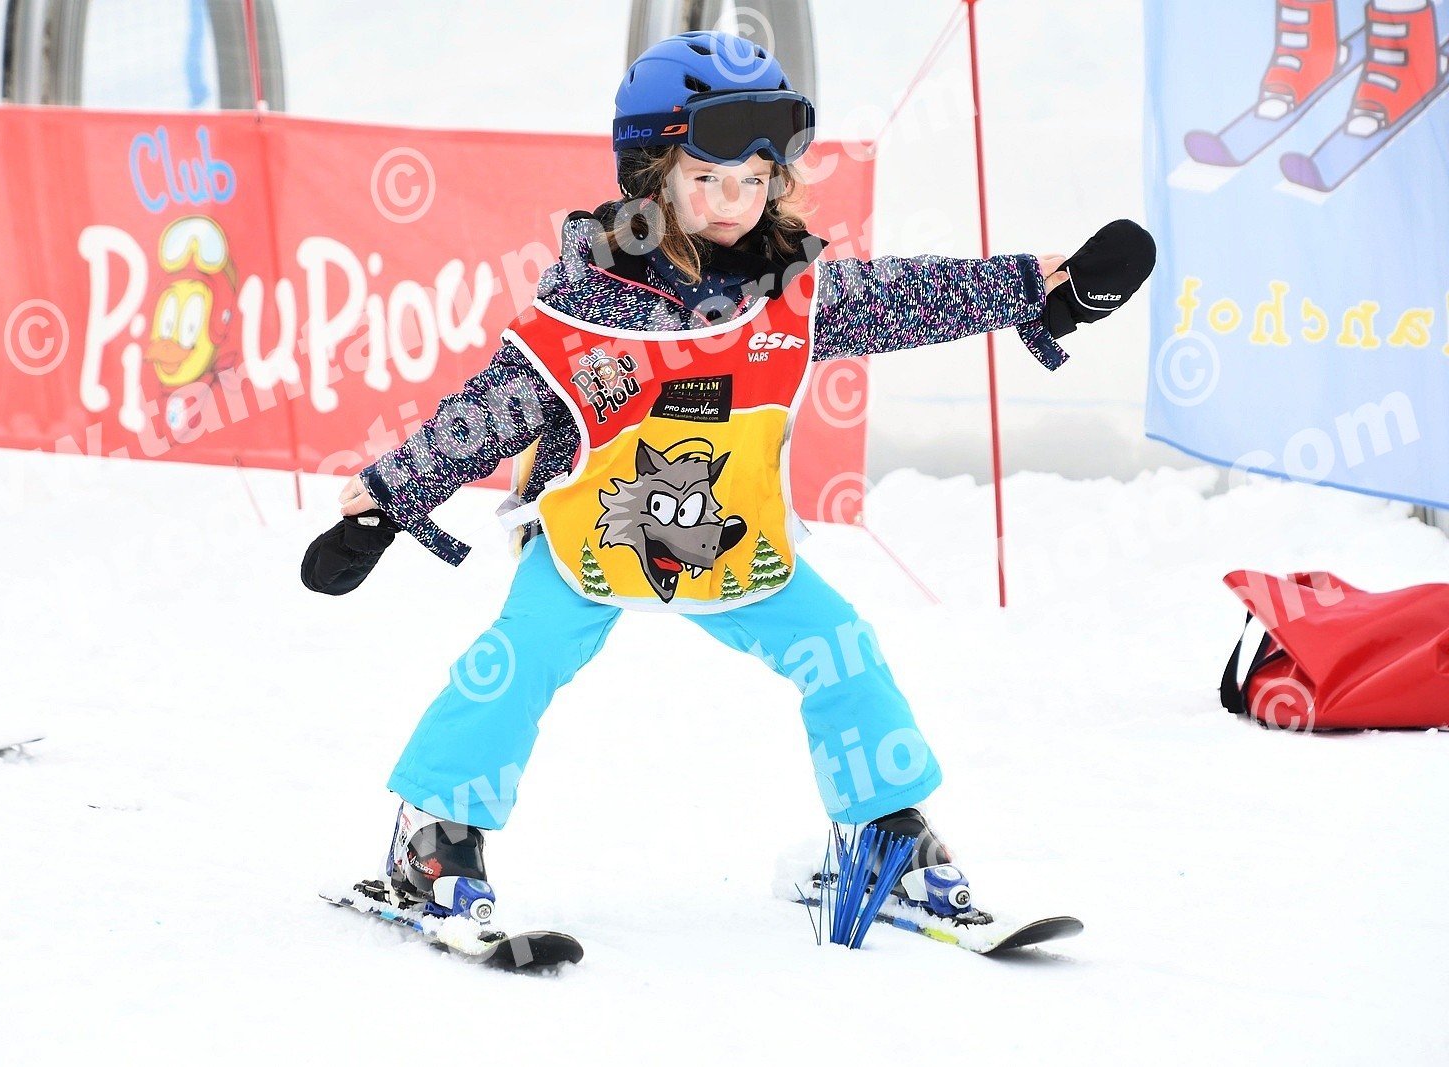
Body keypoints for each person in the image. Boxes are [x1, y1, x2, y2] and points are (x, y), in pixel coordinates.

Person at [310, 31, 1151, 924]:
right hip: (588, 539)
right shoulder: (591, 304)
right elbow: (490, 411)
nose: (733, 203)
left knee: (841, 646)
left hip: (731, 542)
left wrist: (1038, 288)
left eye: (754, 181)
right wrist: (388, 498)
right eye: (707, 178)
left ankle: (885, 837)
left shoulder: (789, 291)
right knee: (515, 661)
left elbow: (906, 296)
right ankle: (434, 837)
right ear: (652, 178)